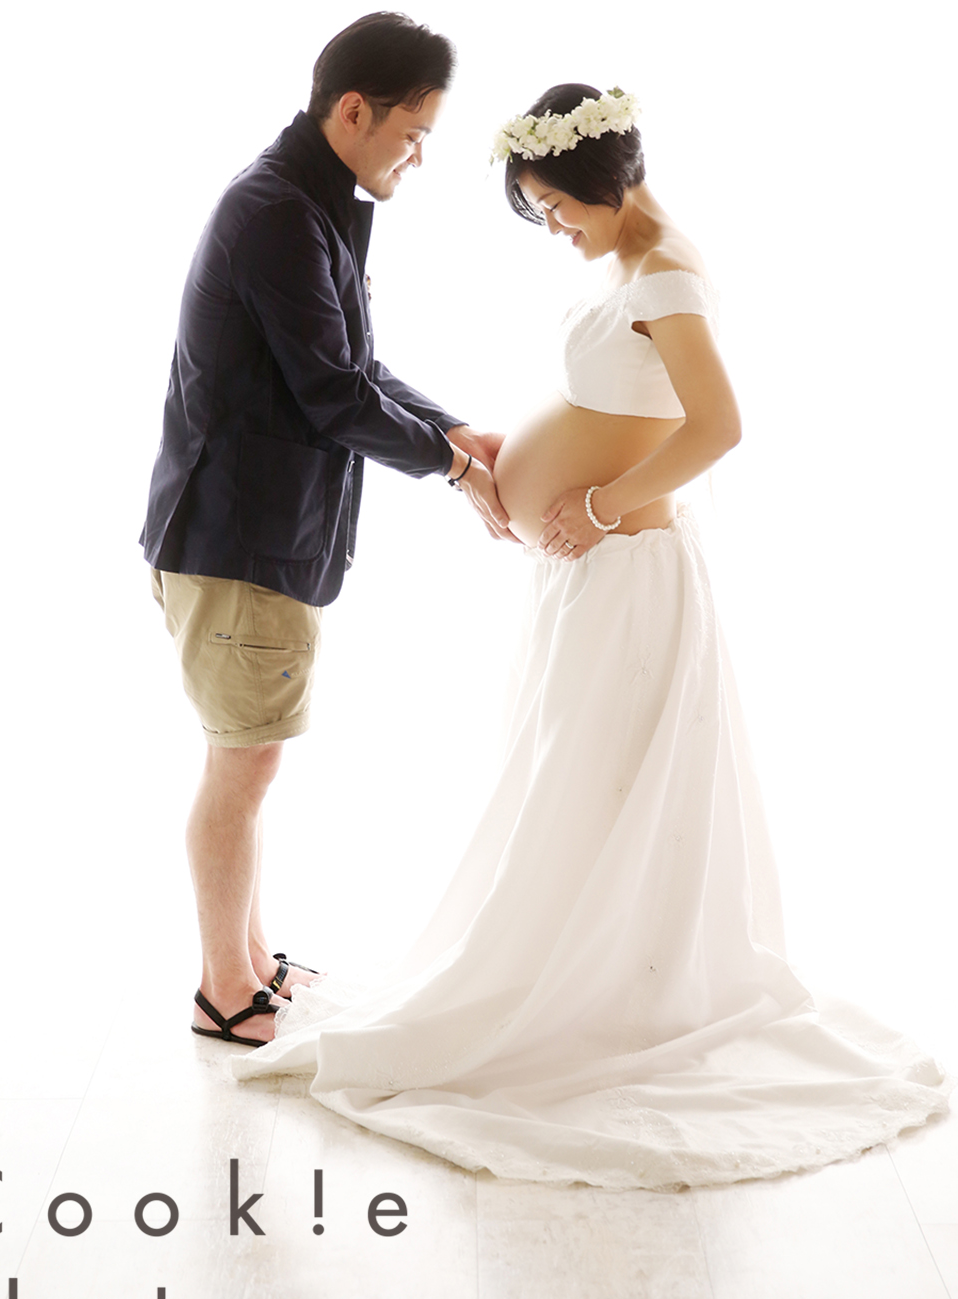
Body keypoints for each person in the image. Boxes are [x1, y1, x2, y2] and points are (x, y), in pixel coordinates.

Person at [227, 84, 952, 1189]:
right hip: (587, 572)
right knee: (571, 777)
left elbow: (718, 426)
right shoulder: (629, 267)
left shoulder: (664, 273)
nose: (555, 229)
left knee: (599, 776)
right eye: (540, 213)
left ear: (605, 182)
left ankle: (592, 993)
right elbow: (617, 406)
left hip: (625, 569)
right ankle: (567, 967)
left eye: (558, 208)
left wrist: (603, 507)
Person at [141, 14, 513, 1049]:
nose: (419, 155)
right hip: (235, 540)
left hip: (251, 537)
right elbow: (332, 394)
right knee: (243, 766)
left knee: (250, 760)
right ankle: (223, 990)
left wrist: (452, 430)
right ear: (354, 110)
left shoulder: (308, 205)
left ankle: (252, 960)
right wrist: (454, 471)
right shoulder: (276, 213)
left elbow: (355, 368)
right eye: (414, 131)